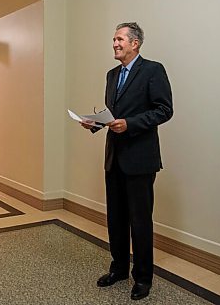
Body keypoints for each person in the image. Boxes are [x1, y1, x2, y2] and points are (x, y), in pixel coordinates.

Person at [81, 22, 173, 300]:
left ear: (135, 43)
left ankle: (143, 278)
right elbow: (113, 113)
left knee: (140, 221)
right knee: (116, 219)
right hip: (114, 159)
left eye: (120, 39)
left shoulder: (153, 70)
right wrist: (96, 124)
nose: (115, 44)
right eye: (113, 39)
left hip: (140, 160)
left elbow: (164, 110)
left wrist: (130, 124)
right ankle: (119, 268)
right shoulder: (111, 75)